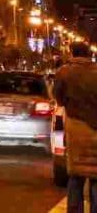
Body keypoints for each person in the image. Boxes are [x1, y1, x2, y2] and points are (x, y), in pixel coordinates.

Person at [55, 41, 97, 213]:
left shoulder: (64, 72)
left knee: (75, 176)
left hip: (75, 129)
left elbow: (58, 98)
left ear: (72, 53)